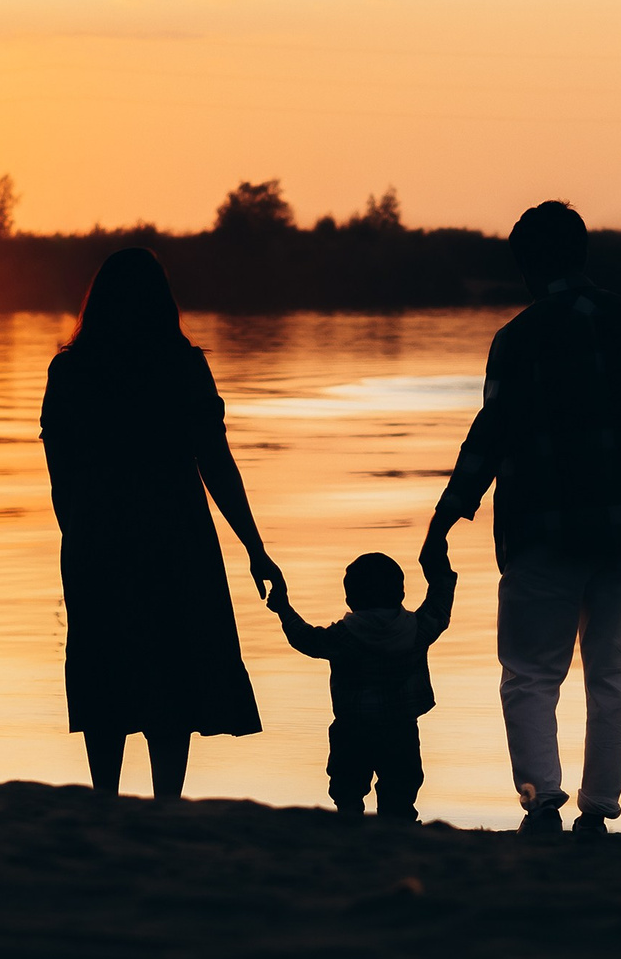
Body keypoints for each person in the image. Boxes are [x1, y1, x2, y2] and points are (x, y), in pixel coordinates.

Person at [420, 200, 621, 837]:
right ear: (583, 254)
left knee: (531, 671)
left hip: (541, 530)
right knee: (614, 675)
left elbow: (490, 436)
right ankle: (597, 811)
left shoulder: (518, 339)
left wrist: (445, 519)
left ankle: (542, 800)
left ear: (527, 265)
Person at [40, 247, 284, 800]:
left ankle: (105, 798)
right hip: (176, 537)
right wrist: (255, 547)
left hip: (97, 536)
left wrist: (77, 538)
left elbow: (61, 475)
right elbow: (216, 464)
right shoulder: (182, 366)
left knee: (104, 666)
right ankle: (165, 805)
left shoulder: (71, 370)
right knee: (171, 669)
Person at [267, 550, 456, 822]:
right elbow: (440, 602)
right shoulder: (416, 630)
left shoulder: (343, 637)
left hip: (352, 729)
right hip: (400, 729)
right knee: (400, 792)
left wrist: (283, 608)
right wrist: (439, 563)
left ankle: (350, 825)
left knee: (347, 790)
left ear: (350, 599)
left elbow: (305, 639)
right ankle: (398, 831)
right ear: (400, 594)